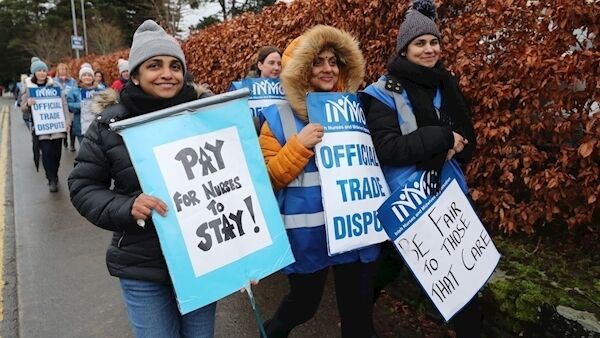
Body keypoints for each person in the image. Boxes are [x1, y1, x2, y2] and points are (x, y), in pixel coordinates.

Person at [68, 20, 216, 338]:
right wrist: (127, 206)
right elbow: (82, 186)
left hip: (203, 261)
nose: (167, 73)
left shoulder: (206, 118)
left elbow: (234, 184)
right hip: (142, 266)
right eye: (154, 65)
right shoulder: (109, 125)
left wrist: (245, 256)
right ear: (135, 74)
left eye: (175, 66)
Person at [360, 1, 481, 337]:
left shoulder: (446, 83)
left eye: (434, 42)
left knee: (462, 279)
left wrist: (450, 147)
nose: (429, 50)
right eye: (420, 43)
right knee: (389, 264)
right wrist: (442, 140)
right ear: (405, 49)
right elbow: (388, 149)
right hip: (407, 198)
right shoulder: (382, 93)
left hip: (449, 192)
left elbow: (467, 138)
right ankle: (360, 315)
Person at [259, 25, 380, 338]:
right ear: (301, 70)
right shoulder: (277, 117)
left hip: (354, 230)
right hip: (309, 234)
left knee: (358, 317)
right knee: (303, 306)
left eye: (333, 61)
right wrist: (299, 145)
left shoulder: (359, 110)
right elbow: (268, 179)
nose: (327, 69)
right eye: (317, 62)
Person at [20, 57, 71, 193]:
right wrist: (27, 104)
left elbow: (63, 105)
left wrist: (67, 122)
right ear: (34, 73)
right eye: (39, 71)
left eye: (43, 70)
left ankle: (55, 173)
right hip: (41, 129)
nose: (42, 73)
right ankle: (51, 179)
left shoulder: (55, 86)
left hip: (57, 127)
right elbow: (23, 108)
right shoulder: (29, 88)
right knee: (47, 154)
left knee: (57, 155)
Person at [66, 63, 101, 150]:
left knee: (97, 150)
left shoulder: (99, 90)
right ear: (80, 77)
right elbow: (69, 105)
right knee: (85, 150)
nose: (87, 77)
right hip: (81, 126)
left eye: (89, 75)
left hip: (97, 126)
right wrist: (81, 105)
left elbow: (106, 103)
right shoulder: (74, 90)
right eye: (84, 75)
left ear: (93, 77)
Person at [54, 63, 78, 150]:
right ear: (58, 71)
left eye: (64, 69)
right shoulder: (54, 81)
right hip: (60, 106)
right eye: (60, 69)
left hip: (70, 105)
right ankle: (64, 139)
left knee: (71, 124)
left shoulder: (72, 81)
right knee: (63, 124)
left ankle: (72, 143)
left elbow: (75, 91)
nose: (62, 71)